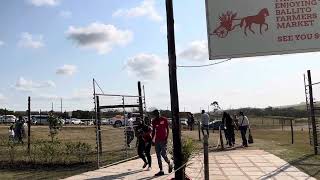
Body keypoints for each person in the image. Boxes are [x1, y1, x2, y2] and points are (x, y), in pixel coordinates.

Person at [151, 109, 173, 176]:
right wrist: (152, 140)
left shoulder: (164, 119)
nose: (157, 114)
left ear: (160, 113)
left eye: (158, 113)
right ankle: (161, 170)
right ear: (154, 115)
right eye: (156, 114)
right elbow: (153, 131)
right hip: (157, 140)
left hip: (163, 140)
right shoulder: (154, 121)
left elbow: (167, 129)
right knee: (158, 156)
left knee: (163, 154)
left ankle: (169, 163)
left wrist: (166, 138)